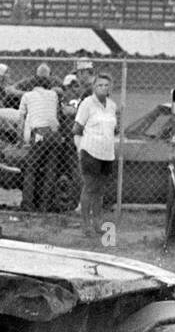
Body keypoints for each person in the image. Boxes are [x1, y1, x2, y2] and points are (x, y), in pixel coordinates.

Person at [72, 72, 117, 237]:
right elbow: (77, 129)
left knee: (100, 189)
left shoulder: (112, 105)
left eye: (106, 85)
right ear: (94, 87)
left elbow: (113, 127)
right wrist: (80, 149)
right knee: (90, 187)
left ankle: (98, 223)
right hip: (90, 151)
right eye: (100, 85)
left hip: (107, 153)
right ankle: (85, 224)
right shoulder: (87, 104)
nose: (103, 88)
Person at [18, 64, 68, 211]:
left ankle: (28, 204)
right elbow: (58, 115)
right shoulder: (54, 95)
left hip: (39, 133)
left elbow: (21, 121)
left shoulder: (27, 96)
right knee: (50, 169)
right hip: (54, 134)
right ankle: (45, 205)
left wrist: (20, 140)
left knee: (30, 168)